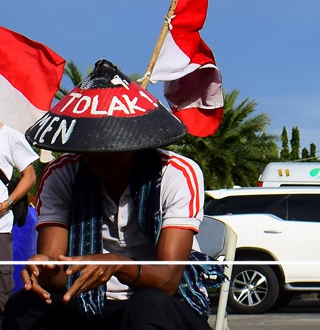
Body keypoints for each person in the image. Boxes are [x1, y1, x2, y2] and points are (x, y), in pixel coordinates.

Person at [6, 60, 213, 330]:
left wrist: (117, 265)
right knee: (22, 307)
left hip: (164, 303)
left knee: (146, 307)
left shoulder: (175, 173)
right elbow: (57, 277)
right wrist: (44, 269)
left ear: (136, 141)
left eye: (111, 147)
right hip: (87, 302)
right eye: (91, 146)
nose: (100, 156)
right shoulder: (62, 174)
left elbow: (169, 279)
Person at [0, 119, 39, 316]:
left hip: (0, 229)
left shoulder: (10, 136)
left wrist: (8, 203)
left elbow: (30, 176)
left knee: (1, 290)